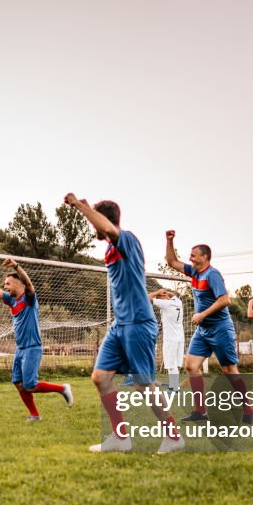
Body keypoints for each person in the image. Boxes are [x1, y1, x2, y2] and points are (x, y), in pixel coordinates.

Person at [63, 193, 184, 453]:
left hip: (139, 323)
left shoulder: (126, 239)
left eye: (95, 221)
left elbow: (107, 228)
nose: (92, 227)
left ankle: (173, 437)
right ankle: (120, 437)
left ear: (105, 220)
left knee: (143, 384)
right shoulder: (110, 249)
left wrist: (79, 205)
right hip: (120, 325)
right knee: (100, 377)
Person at [163, 230, 253, 425]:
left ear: (204, 257)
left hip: (220, 328)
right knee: (191, 366)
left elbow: (225, 300)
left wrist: (202, 314)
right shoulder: (193, 271)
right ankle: (200, 412)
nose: (190, 258)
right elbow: (172, 262)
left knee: (229, 370)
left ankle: (249, 410)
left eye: (193, 255)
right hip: (203, 331)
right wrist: (169, 241)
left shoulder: (212, 275)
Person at [0, 258, 73, 420]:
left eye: (8, 283)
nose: (5, 286)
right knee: (18, 384)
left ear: (19, 284)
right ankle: (34, 415)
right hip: (20, 349)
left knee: (30, 386)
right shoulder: (12, 301)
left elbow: (29, 284)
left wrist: (17, 267)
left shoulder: (29, 299)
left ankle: (62, 389)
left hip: (32, 347)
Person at [151, 288, 185, 390]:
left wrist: (157, 292)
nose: (159, 299)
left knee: (171, 364)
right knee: (175, 364)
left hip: (171, 338)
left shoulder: (166, 305)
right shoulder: (177, 301)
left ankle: (174, 388)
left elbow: (147, 298)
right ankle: (173, 386)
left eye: (159, 298)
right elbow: (172, 294)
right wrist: (165, 292)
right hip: (180, 338)